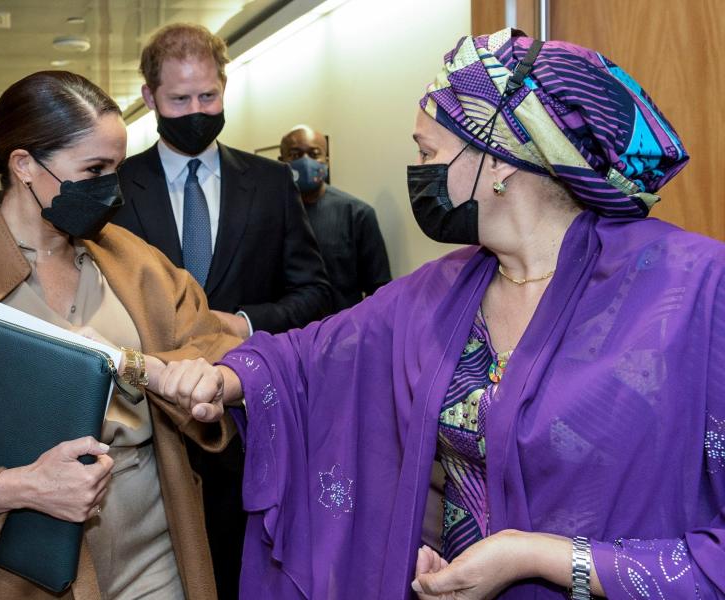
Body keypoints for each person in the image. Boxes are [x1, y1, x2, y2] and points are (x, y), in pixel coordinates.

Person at [159, 29, 725, 599]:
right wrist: (223, 377)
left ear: (501, 157)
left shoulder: (694, 289)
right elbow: (310, 356)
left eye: (428, 151)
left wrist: (536, 557)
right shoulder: (443, 288)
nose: (417, 168)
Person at [0, 70, 242, 600]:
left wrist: (207, 377)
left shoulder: (133, 262)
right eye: (94, 169)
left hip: (158, 553)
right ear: (25, 165)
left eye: (116, 169)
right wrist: (17, 487)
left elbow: (219, 347)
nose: (112, 188)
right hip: (23, 573)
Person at [111, 23, 332, 598]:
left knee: (241, 575)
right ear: (149, 96)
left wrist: (245, 323)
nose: (195, 110)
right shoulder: (115, 187)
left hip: (247, 425)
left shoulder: (270, 182)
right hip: (148, 428)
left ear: (224, 88)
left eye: (208, 96)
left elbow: (315, 293)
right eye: (180, 99)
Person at [279, 124, 392, 312]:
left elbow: (379, 290)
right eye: (296, 155)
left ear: (326, 160)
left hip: (341, 333)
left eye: (315, 154)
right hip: (284, 333)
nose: (306, 161)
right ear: (281, 161)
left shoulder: (357, 215)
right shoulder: (267, 214)